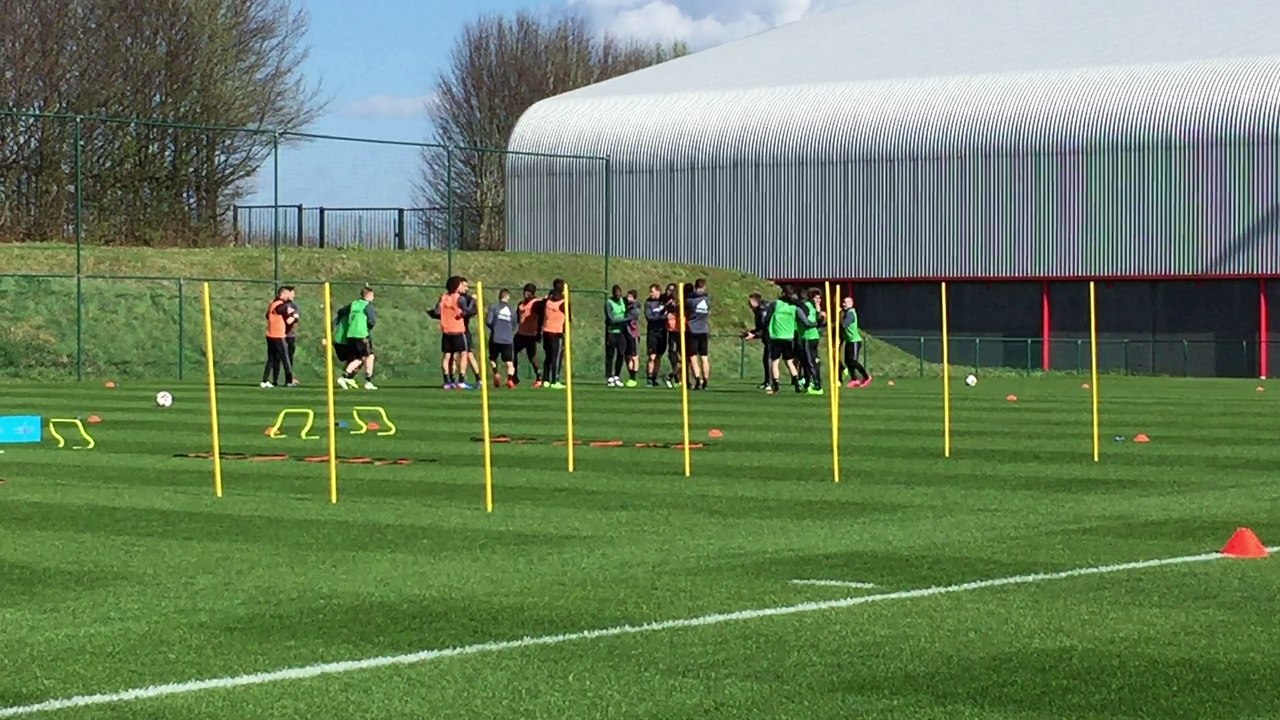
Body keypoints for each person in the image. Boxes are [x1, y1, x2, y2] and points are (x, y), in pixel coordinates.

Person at [762, 285, 807, 395]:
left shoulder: (776, 304)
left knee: (775, 362)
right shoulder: (793, 307)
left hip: (777, 336)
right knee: (789, 362)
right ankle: (797, 384)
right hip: (788, 336)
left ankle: (776, 385)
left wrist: (764, 329)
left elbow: (767, 319)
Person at [333, 286, 378, 390]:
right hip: (362, 334)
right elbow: (371, 321)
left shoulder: (353, 304)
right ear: (370, 296)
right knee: (368, 357)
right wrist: (368, 328)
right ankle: (367, 381)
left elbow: (341, 312)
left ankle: (347, 377)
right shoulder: (368, 306)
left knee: (358, 358)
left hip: (351, 335)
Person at [429, 276, 470, 390]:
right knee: (463, 354)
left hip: (446, 330)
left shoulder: (443, 298)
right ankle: (461, 380)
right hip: (458, 330)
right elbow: (465, 312)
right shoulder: (459, 299)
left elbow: (437, 312)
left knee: (446, 356)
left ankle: (447, 381)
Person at [261, 286, 296, 388]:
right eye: (287, 294)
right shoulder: (279, 304)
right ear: (283, 294)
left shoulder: (273, 303)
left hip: (270, 335)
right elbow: (286, 310)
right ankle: (289, 380)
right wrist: (293, 315)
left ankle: (265, 380)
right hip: (278, 336)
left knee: (271, 359)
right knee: (285, 358)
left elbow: (267, 315)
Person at [486, 288, 518, 389]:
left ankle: (496, 374)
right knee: (509, 361)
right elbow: (514, 324)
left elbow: (488, 321)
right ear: (507, 297)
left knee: (492, 359)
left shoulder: (494, 307)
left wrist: (495, 328)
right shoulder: (512, 310)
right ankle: (509, 379)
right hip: (507, 339)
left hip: (495, 337)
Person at [540, 279, 568, 389]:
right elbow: (568, 318)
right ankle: (555, 380)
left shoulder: (547, 301)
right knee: (556, 357)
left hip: (546, 331)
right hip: (557, 332)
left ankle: (546, 380)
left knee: (548, 356)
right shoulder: (562, 302)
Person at [684, 278, 711, 390]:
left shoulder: (690, 300)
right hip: (703, 330)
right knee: (704, 357)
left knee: (693, 357)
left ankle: (698, 379)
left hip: (693, 330)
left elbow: (686, 308)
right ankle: (705, 380)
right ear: (704, 286)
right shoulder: (708, 299)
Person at [798, 288, 826, 395]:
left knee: (810, 362)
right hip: (809, 337)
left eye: (820, 298)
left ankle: (817, 386)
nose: (819, 300)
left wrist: (821, 318)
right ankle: (808, 383)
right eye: (817, 298)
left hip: (810, 337)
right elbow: (813, 322)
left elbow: (811, 323)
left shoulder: (811, 307)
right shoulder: (808, 307)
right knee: (807, 362)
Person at [515, 283, 543, 387]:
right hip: (521, 333)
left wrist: (538, 332)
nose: (526, 294)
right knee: (512, 352)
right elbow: (518, 316)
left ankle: (539, 376)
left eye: (528, 292)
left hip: (531, 334)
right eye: (525, 291)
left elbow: (540, 317)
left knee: (532, 356)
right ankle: (513, 376)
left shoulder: (536, 304)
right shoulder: (521, 303)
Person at [841, 296, 873, 388]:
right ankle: (854, 379)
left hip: (854, 341)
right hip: (849, 340)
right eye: (843, 302)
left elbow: (844, 324)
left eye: (845, 303)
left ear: (851, 304)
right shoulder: (846, 313)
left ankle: (866, 377)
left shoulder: (850, 313)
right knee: (848, 361)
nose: (843, 304)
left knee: (853, 361)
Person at [743, 292, 770, 390]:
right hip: (769, 337)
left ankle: (770, 383)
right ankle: (768, 382)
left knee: (769, 360)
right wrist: (751, 332)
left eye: (750, 302)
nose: (749, 305)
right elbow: (760, 328)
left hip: (771, 338)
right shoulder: (759, 311)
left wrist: (753, 335)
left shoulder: (762, 311)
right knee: (768, 360)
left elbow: (764, 329)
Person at [603, 285, 630, 386]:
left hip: (621, 332)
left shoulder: (624, 301)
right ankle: (609, 376)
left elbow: (629, 312)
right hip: (611, 332)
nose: (618, 295)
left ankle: (617, 376)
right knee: (610, 354)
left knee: (621, 353)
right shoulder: (609, 303)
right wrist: (625, 320)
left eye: (619, 293)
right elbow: (611, 320)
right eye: (616, 293)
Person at [643, 284, 668, 387]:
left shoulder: (664, 300)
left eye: (652, 291)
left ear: (658, 291)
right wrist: (663, 317)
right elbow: (649, 317)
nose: (650, 294)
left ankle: (654, 377)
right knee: (652, 356)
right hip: (652, 332)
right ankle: (649, 377)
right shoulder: (648, 303)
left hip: (662, 332)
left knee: (658, 356)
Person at [458, 286, 483, 387]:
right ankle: (457, 380)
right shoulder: (458, 299)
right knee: (455, 355)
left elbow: (472, 311)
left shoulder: (466, 298)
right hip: (456, 330)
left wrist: (473, 302)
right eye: (464, 285)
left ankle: (477, 379)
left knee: (468, 354)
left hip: (464, 330)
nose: (466, 288)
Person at [663, 283, 681, 387]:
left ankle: (672, 376)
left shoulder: (680, 304)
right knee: (673, 355)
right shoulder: (667, 303)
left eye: (671, 290)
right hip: (672, 332)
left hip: (680, 332)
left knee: (682, 359)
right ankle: (674, 377)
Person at [282, 290, 301, 386]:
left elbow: (295, 318)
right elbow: (289, 320)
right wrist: (294, 316)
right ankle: (286, 380)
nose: (293, 294)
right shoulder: (282, 305)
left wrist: (294, 317)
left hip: (291, 335)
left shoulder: (294, 305)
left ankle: (289, 379)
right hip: (283, 335)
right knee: (281, 358)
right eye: (292, 292)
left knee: (289, 358)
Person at [624, 289, 641, 387]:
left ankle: (634, 377)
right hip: (626, 334)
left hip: (633, 334)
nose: (628, 298)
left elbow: (632, 316)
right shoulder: (626, 306)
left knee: (634, 356)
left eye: (630, 296)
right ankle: (631, 375)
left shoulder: (635, 307)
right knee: (628, 356)